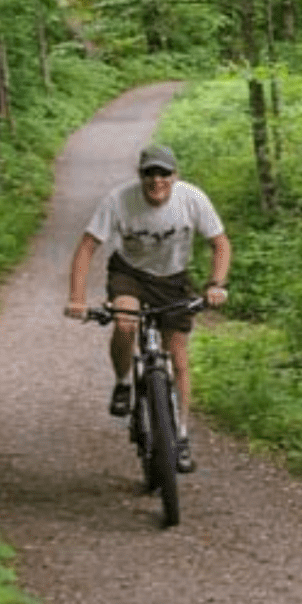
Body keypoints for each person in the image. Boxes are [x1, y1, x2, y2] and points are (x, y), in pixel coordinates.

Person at [65, 143, 231, 473]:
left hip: (173, 280)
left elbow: (220, 244)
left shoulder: (192, 198)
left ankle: (180, 437)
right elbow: (87, 247)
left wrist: (216, 285)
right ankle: (124, 382)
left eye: (164, 173)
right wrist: (77, 298)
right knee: (125, 321)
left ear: (175, 175)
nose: (157, 181)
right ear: (140, 175)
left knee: (179, 358)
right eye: (150, 173)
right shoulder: (119, 200)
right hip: (131, 274)